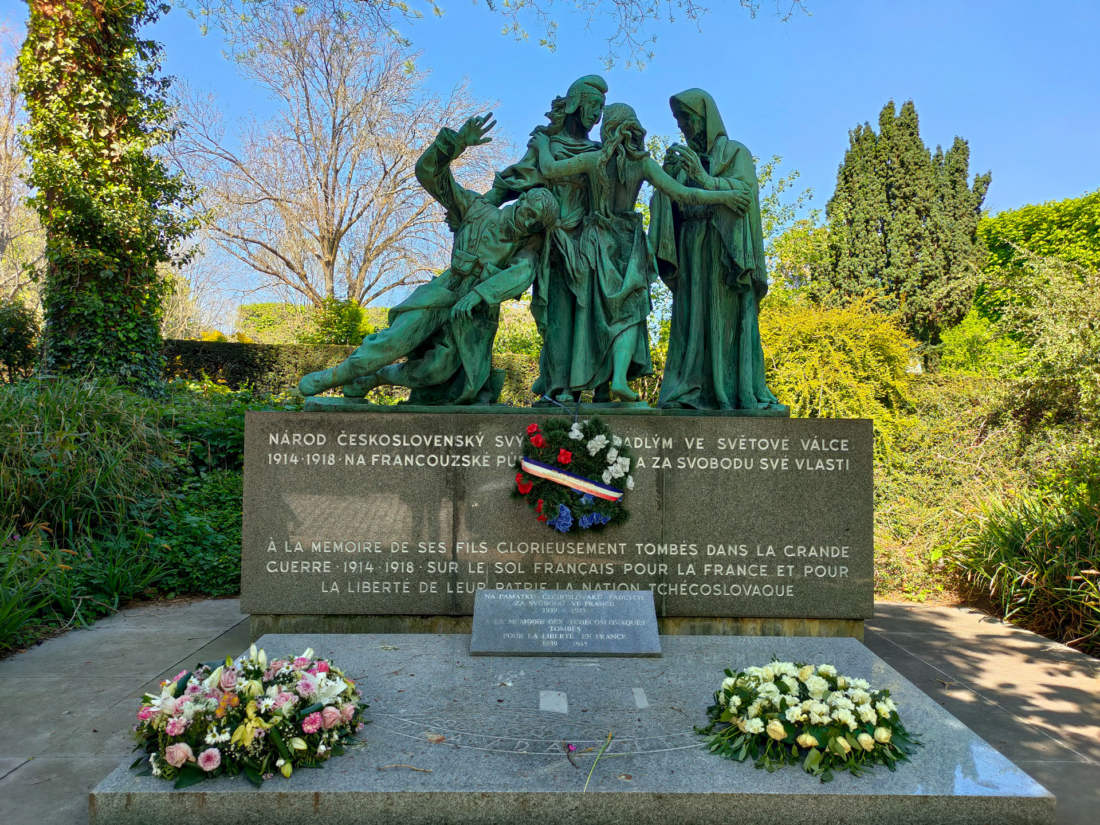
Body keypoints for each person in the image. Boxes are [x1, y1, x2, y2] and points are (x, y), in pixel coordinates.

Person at [297, 113, 558, 404]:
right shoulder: (476, 208)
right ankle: (334, 376)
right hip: (445, 291)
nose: (529, 221)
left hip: (473, 314)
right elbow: (430, 175)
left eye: (535, 222)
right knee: (393, 341)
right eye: (529, 212)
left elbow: (522, 273)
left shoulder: (528, 244)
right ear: (521, 201)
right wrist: (455, 144)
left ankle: (376, 377)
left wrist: (481, 294)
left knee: (436, 371)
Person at [530, 102, 752, 401]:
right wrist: (725, 195)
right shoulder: (643, 164)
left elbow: (550, 169)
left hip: (595, 240)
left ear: (608, 128)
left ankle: (591, 383)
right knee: (630, 312)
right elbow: (684, 193)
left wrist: (543, 143)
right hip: (628, 240)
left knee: (595, 311)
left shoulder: (592, 159)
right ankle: (617, 379)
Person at [649, 88, 783, 411]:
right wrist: (666, 182)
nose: (683, 128)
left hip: (726, 255)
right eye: (679, 121)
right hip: (693, 249)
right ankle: (687, 391)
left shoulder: (736, 154)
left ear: (705, 119)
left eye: (687, 119)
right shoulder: (682, 163)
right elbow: (668, 206)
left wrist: (705, 180)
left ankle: (732, 391)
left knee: (725, 325)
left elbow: (745, 195)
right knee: (691, 325)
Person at [486, 75, 608, 402]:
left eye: (601, 109)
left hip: (589, 245)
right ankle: (557, 388)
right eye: (592, 106)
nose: (596, 115)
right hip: (555, 245)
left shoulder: (598, 152)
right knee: (556, 317)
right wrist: (480, 210)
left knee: (589, 315)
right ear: (575, 104)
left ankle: (592, 384)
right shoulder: (546, 145)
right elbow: (513, 180)